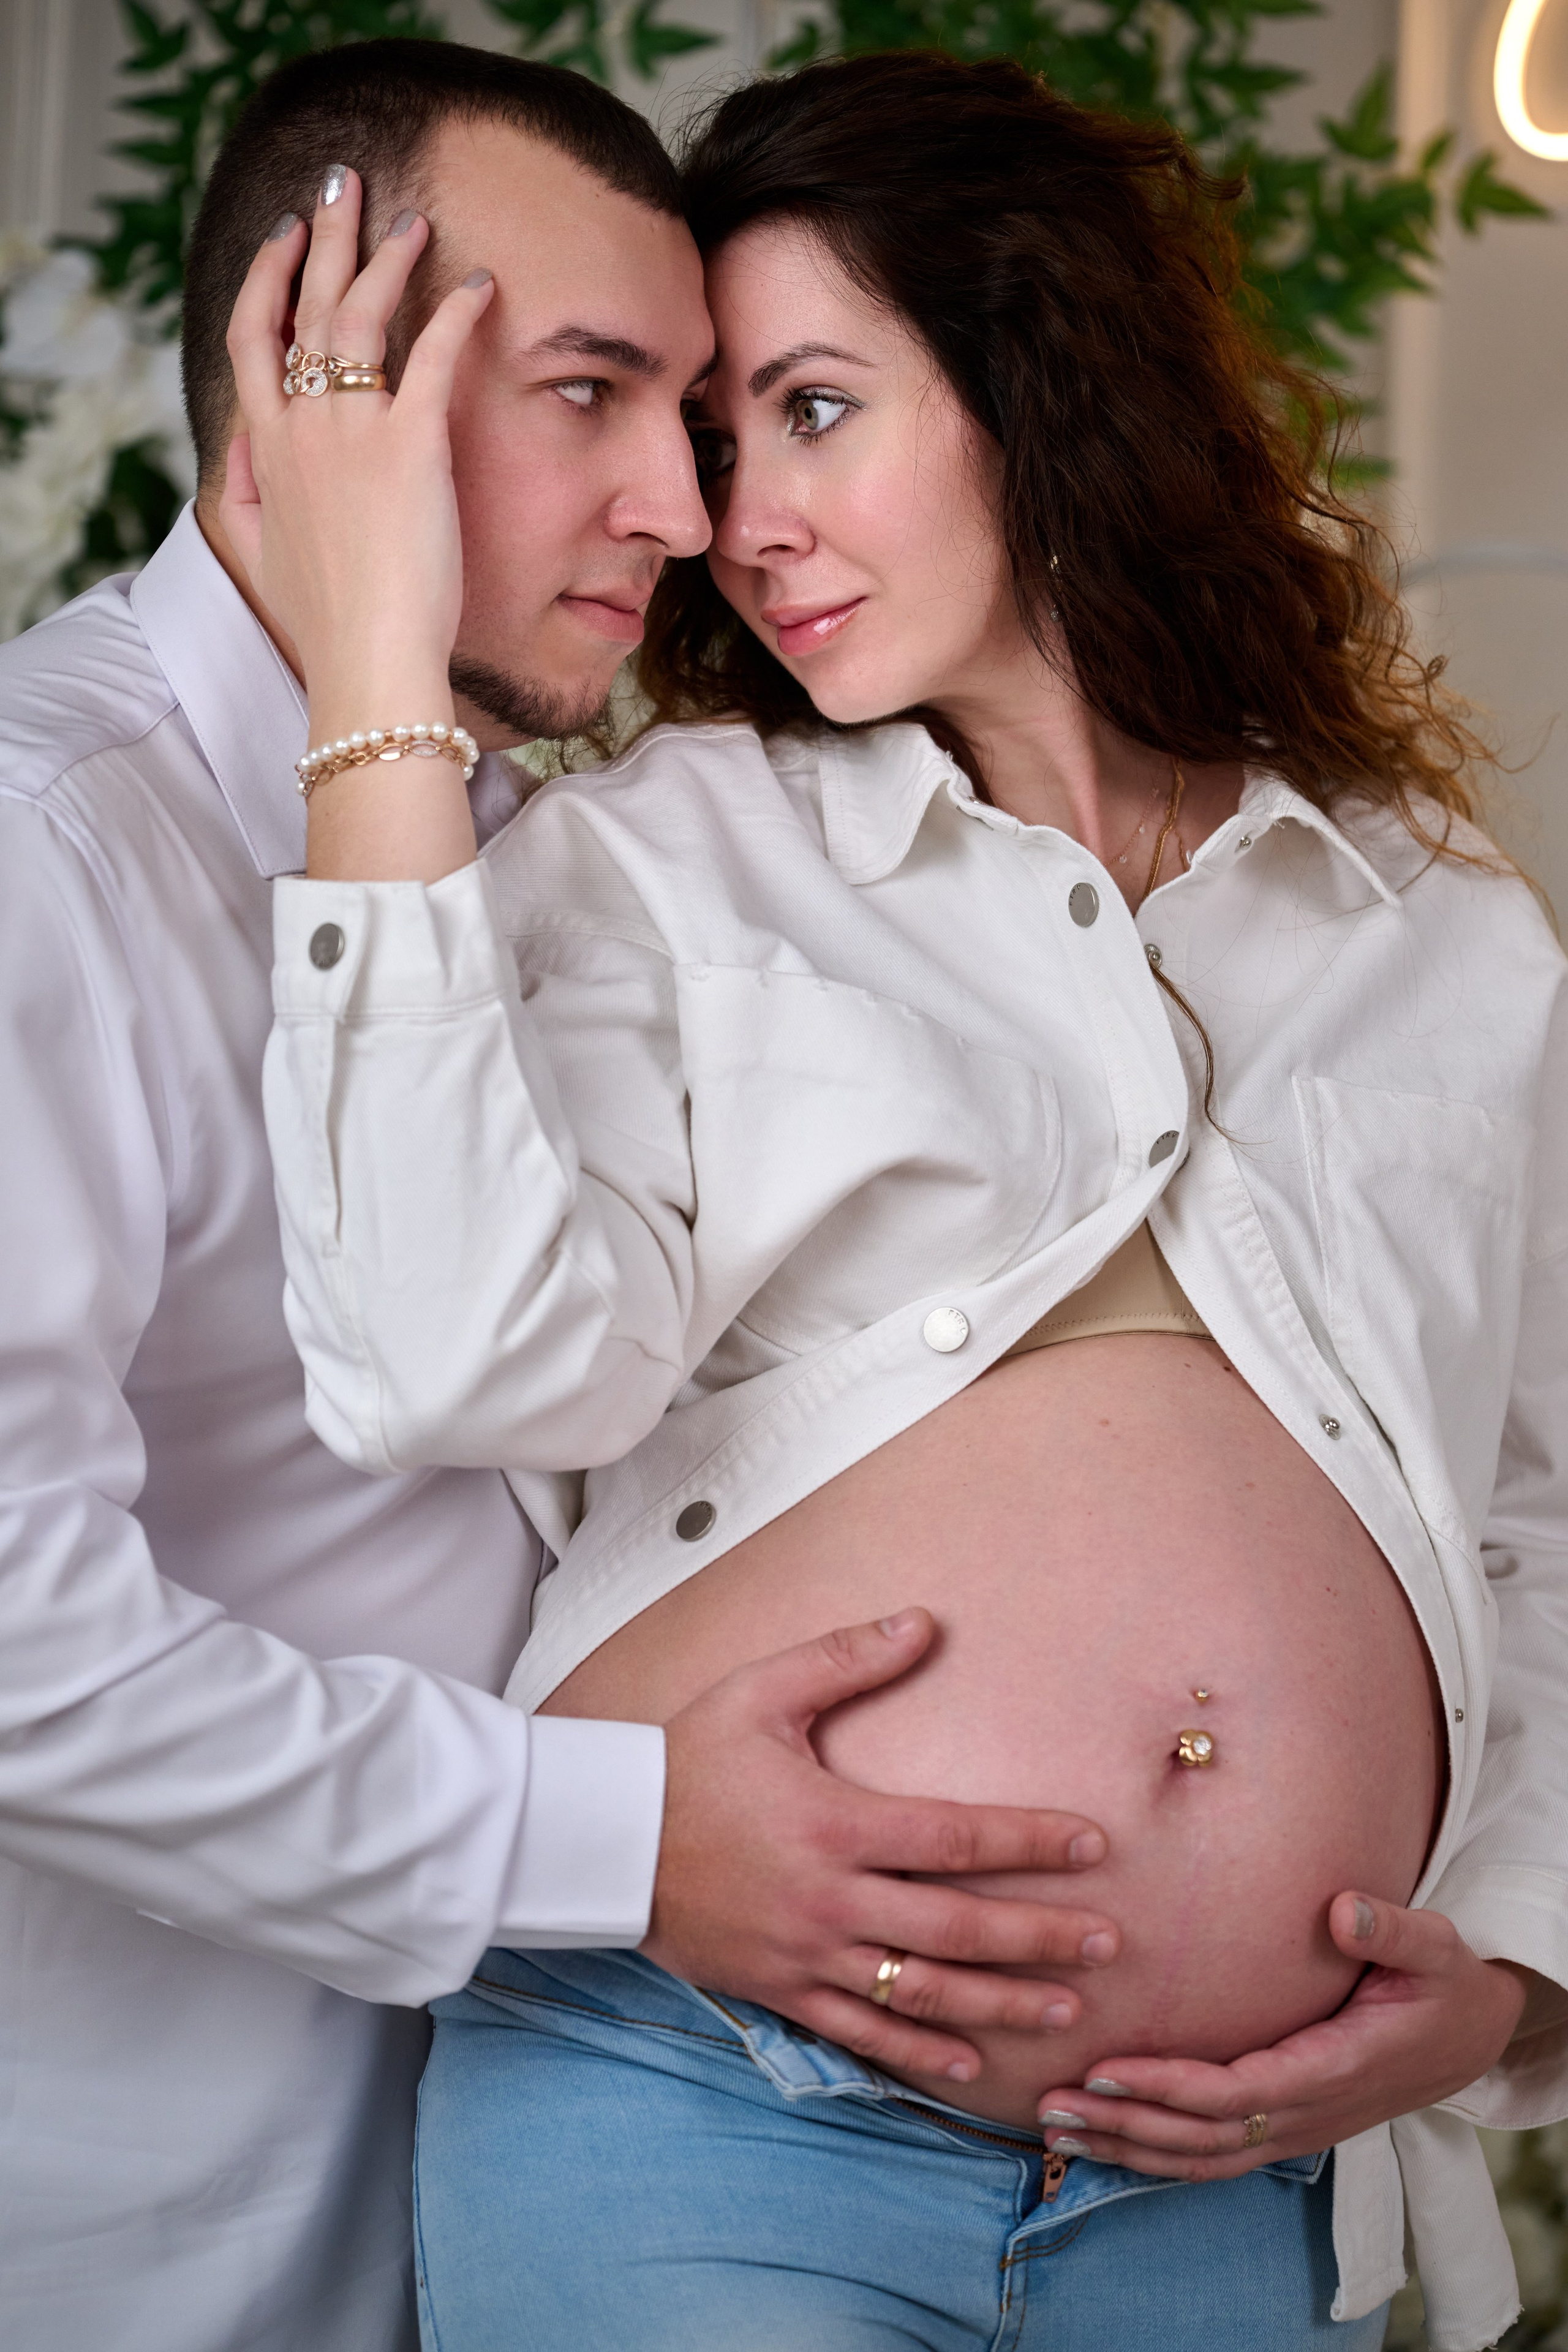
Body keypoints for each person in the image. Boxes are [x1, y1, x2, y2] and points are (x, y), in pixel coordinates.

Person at [238, 48, 1568, 2352]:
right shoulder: (656, 858)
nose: (736, 521)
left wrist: (1528, 1984)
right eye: (717, 451)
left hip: (1218, 2185)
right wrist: (377, 671)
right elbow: (446, 1355)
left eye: (816, 412)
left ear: (1042, 390)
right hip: (704, 2110)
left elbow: (1541, 1520)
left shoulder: (1436, 925)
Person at [0, 43, 1123, 2352]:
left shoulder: (591, 853)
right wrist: (630, 1843)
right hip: (147, 2225)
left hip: (600, 2162)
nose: (688, 512)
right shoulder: (44, 855)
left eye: (699, 412)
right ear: (305, 386)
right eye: (591, 393)